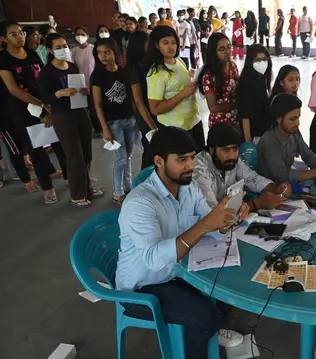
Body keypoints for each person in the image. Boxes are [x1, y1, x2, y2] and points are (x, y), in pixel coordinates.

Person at [116, 126, 245, 358]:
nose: (190, 166)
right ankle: (198, 339)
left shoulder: (188, 188)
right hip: (143, 286)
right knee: (204, 316)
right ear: (159, 161)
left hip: (177, 271)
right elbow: (154, 260)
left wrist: (228, 217)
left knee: (227, 293)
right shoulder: (140, 203)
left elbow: (212, 223)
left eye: (192, 158)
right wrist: (206, 225)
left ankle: (207, 330)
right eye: (182, 160)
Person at [0, 20, 65, 203]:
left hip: (43, 105)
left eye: (21, 33)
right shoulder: (4, 59)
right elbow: (14, 89)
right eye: (13, 34)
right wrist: (41, 104)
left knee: (57, 141)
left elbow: (42, 78)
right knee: (36, 149)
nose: (20, 37)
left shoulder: (32, 54)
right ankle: (48, 187)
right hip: (22, 110)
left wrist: (49, 101)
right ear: (4, 38)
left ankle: (69, 174)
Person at [38, 33, 103, 207]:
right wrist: (59, 94)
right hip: (63, 115)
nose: (62, 49)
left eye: (64, 46)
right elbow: (44, 96)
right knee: (74, 155)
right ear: (50, 50)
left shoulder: (72, 66)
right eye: (58, 47)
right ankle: (77, 194)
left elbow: (81, 85)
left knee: (87, 153)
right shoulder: (47, 72)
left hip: (80, 111)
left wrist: (84, 91)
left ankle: (87, 187)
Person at [194, 122, 292, 210]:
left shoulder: (230, 161)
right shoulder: (199, 170)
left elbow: (251, 178)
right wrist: (254, 205)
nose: (232, 155)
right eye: (226, 150)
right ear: (212, 149)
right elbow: (211, 214)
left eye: (235, 149)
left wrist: (276, 188)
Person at [257, 93, 316, 184]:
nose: (297, 123)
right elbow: (283, 175)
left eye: (298, 118)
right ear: (279, 119)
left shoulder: (294, 133)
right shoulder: (268, 141)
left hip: (287, 185)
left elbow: (308, 155)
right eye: (292, 119)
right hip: (268, 188)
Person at [91, 38, 137, 204]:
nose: (103, 56)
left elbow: (132, 98)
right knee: (121, 159)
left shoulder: (123, 72)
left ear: (115, 53)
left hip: (129, 120)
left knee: (128, 156)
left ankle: (128, 186)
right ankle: (117, 192)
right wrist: (104, 128)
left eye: (107, 52)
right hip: (113, 123)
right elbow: (97, 104)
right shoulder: (97, 75)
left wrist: (135, 118)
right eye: (100, 53)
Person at [147, 26, 204, 149]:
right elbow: (155, 109)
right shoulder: (156, 73)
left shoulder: (178, 61)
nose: (171, 47)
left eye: (173, 42)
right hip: (175, 128)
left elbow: (180, 84)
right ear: (157, 45)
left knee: (200, 161)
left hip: (194, 121)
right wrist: (183, 94)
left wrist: (192, 76)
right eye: (165, 43)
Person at [126, 31, 158, 169]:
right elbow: (139, 102)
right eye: (148, 42)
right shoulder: (134, 69)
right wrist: (153, 128)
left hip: (157, 113)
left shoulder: (151, 64)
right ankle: (146, 184)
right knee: (150, 153)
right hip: (146, 117)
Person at [200, 32, 238, 128]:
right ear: (214, 52)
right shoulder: (209, 75)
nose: (227, 51)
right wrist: (235, 105)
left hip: (236, 119)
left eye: (229, 47)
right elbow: (213, 107)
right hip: (220, 123)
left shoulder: (233, 66)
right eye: (222, 49)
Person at [237, 44, 272, 142]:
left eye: (264, 59)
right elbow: (245, 116)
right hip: (254, 135)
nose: (262, 63)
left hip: (264, 132)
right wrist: (248, 142)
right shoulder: (246, 83)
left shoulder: (262, 79)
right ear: (250, 61)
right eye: (258, 60)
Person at [71, 26, 102, 135]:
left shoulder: (93, 48)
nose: (80, 37)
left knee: (98, 106)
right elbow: (72, 67)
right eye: (78, 34)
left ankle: (103, 126)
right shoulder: (74, 51)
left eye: (83, 34)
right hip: (82, 84)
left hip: (95, 82)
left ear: (88, 36)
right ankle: (97, 129)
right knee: (90, 109)